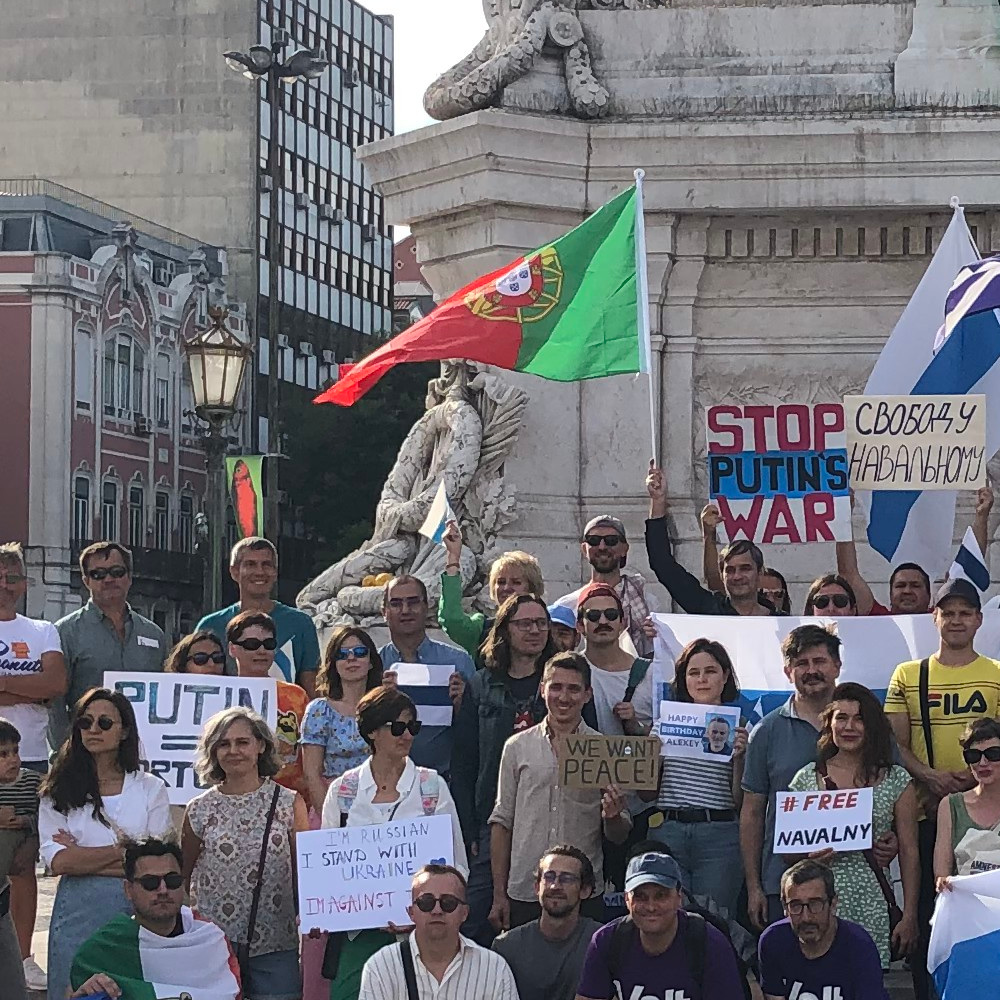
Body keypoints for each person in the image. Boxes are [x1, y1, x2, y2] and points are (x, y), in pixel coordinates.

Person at [884, 577, 1000, 1000]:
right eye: (947, 612)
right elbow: (895, 742)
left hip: (986, 812)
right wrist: (930, 776)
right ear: (934, 618)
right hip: (924, 813)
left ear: (978, 620)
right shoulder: (909, 674)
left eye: (964, 613)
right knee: (929, 913)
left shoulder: (997, 673)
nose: (955, 620)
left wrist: (974, 776)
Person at [741, 625, 899, 930]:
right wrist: (754, 886)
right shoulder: (766, 731)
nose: (811, 671)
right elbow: (751, 812)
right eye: (801, 664)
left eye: (819, 661)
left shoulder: (873, 727)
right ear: (788, 672)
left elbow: (891, 790)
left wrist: (890, 838)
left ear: (837, 665)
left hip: (859, 886)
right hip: (785, 885)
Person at [319, 686, 467, 1000]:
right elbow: (327, 870)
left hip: (422, 934)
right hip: (358, 935)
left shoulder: (432, 787)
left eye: (413, 727)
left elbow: (456, 864)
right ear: (372, 732)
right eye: (398, 727)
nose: (407, 735)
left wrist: (424, 910)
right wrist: (319, 910)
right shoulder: (342, 791)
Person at [40, 687, 172, 1000]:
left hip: (139, 910)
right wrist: (125, 852)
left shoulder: (150, 787)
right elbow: (59, 862)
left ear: (124, 730)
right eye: (85, 723)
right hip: (77, 911)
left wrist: (83, 857)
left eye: (104, 723)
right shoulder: (57, 791)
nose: (93, 730)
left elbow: (158, 860)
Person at [489, 651, 631, 931]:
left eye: (573, 688)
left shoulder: (605, 750)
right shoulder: (517, 747)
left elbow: (619, 834)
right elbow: (502, 821)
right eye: (556, 687)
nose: (563, 697)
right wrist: (498, 894)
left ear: (587, 694)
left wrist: (613, 816)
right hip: (526, 886)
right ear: (543, 690)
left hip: (582, 889)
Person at [788, 682, 920, 968]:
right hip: (818, 907)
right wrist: (809, 857)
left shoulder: (896, 779)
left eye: (859, 718)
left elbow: (910, 851)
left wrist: (909, 915)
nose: (850, 727)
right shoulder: (805, 779)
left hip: (872, 904)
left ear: (872, 725)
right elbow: (788, 852)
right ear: (829, 724)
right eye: (842, 718)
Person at [183, 706, 309, 1000]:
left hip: (275, 943)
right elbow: (184, 877)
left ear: (261, 745)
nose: (233, 751)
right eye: (223, 744)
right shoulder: (199, 809)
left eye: (242, 742)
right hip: (214, 946)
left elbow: (303, 871)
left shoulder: (288, 803)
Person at [452, 594, 553, 943]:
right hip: (489, 821)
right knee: (475, 921)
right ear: (505, 630)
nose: (534, 631)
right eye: (524, 623)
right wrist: (468, 828)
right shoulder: (480, 685)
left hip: (549, 819)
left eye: (541, 623)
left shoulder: (562, 683)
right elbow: (463, 761)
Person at [0, 541, 67, 991]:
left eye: (12, 578)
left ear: (24, 583)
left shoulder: (43, 629)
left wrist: (6, 685)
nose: (4, 586)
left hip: (31, 760)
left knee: (21, 863)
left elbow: (56, 683)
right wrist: (29, 688)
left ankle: (22, 956)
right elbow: (39, 685)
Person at [69, 837, 241, 1000]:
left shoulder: (210, 939)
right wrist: (85, 993)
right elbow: (71, 994)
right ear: (128, 889)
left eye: (172, 880)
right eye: (150, 882)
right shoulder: (104, 948)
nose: (163, 890)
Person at [648, 638, 747, 917]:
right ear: (684, 679)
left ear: (725, 676)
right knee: (666, 916)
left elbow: (740, 801)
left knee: (714, 919)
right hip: (669, 830)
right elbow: (646, 793)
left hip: (719, 835)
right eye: (694, 672)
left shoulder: (740, 729)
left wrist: (740, 759)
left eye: (710, 671)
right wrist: (650, 759)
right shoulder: (664, 724)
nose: (702, 679)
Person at [574, 850, 745, 1000]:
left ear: (679, 897)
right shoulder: (607, 940)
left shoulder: (708, 942)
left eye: (661, 895)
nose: (651, 906)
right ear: (626, 899)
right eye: (640, 896)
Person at [51, 541, 167, 752]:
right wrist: (64, 752)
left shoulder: (155, 635)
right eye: (98, 574)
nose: (109, 579)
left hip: (143, 751)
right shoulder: (64, 633)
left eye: (117, 571)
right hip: (85, 751)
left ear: (129, 577)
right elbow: (55, 703)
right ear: (86, 580)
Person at [357, 864, 518, 1000]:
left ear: (465, 913)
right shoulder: (381, 966)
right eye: (426, 902)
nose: (437, 910)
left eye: (448, 902)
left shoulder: (494, 969)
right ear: (411, 912)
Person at [645, 462, 781, 616]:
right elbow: (662, 563)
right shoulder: (709, 609)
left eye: (745, 568)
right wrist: (658, 502)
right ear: (721, 575)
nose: (737, 576)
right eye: (729, 570)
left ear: (760, 572)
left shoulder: (781, 621)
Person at [837, 486, 992, 616]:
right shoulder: (877, 617)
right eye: (900, 585)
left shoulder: (944, 619)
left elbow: (969, 567)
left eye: (915, 585)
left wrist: (981, 516)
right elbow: (848, 573)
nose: (907, 591)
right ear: (890, 594)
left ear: (930, 595)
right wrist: (843, 516)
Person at [378, 575, 476, 777]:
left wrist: (464, 705)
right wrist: (379, 701)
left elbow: (478, 730)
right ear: (384, 612)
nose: (405, 610)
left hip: (445, 781)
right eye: (396, 604)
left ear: (427, 607)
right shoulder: (373, 664)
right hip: (384, 781)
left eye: (413, 602)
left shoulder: (459, 662)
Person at [197, 536, 321, 696]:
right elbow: (195, 682)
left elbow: (312, 687)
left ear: (275, 572)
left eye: (267, 565)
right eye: (250, 564)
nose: (260, 572)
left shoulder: (300, 623)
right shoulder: (210, 626)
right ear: (234, 572)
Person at [758, 860, 889, 1000]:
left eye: (815, 904)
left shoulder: (859, 946)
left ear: (833, 904)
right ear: (785, 908)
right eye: (795, 906)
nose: (806, 917)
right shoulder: (773, 941)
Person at [492, 845, 602, 1000]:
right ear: (537, 887)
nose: (555, 886)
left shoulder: (603, 942)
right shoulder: (507, 946)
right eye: (549, 877)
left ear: (585, 890)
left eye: (567, 879)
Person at [301, 626, 386, 820]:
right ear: (333, 663)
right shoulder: (319, 710)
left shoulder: (385, 707)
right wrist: (331, 820)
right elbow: (311, 775)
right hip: (333, 805)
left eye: (359, 652)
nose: (351, 659)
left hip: (381, 806)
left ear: (371, 661)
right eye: (342, 654)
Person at [227, 611, 311, 804]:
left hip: (290, 802)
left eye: (269, 644)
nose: (261, 651)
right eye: (251, 644)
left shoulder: (296, 696)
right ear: (232, 649)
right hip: (234, 801)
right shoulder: (220, 695)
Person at [555, 514, 660, 658]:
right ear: (584, 549)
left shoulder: (648, 603)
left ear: (624, 549)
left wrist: (657, 636)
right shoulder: (566, 605)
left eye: (611, 541)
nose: (602, 547)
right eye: (594, 540)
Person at [439, 519, 544, 659]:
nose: (506, 588)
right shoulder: (481, 629)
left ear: (532, 588)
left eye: (516, 582)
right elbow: (452, 619)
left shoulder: (546, 629)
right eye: (500, 582)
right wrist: (453, 556)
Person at [577, 583, 653, 738]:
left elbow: (667, 740)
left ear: (622, 623)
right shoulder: (570, 671)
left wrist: (636, 726)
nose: (603, 622)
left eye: (611, 614)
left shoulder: (649, 674)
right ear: (580, 626)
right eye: (593, 616)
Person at [935, 718, 1000, 889]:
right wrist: (943, 882)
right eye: (974, 756)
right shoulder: (950, 805)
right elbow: (942, 874)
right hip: (968, 908)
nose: (983, 763)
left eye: (993, 754)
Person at [0, 718, 39, 1000]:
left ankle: (24, 958)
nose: (12, 759)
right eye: (3, 754)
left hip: (20, 860)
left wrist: (26, 821)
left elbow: (48, 816)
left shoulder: (31, 782)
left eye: (15, 751)